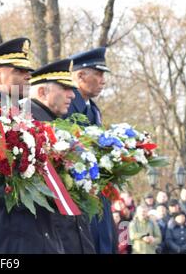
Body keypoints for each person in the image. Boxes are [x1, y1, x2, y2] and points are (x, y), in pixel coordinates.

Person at [0, 38, 63, 254]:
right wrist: (33, 191)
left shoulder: (20, 112)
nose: (28, 76)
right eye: (19, 71)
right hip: (6, 232)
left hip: (32, 229)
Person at [27, 58, 96, 254]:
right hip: (54, 235)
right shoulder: (29, 126)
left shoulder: (55, 123)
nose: (72, 95)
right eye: (65, 88)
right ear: (42, 92)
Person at [64, 47, 117, 254]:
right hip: (79, 195)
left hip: (97, 193)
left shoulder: (93, 109)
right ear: (80, 75)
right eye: (98, 74)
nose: (103, 80)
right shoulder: (68, 107)